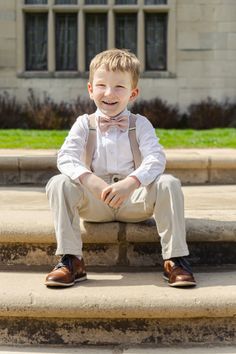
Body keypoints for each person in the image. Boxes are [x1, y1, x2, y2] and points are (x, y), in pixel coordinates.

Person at [45, 48, 196, 288]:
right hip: (95, 202)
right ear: (90, 89)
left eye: (119, 87)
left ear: (133, 93)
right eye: (102, 85)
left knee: (169, 183)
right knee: (58, 183)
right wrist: (90, 180)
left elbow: (155, 158)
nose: (109, 93)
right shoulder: (84, 124)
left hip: (133, 200)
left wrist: (131, 182)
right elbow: (65, 157)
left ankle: (174, 260)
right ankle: (71, 259)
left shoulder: (140, 124)